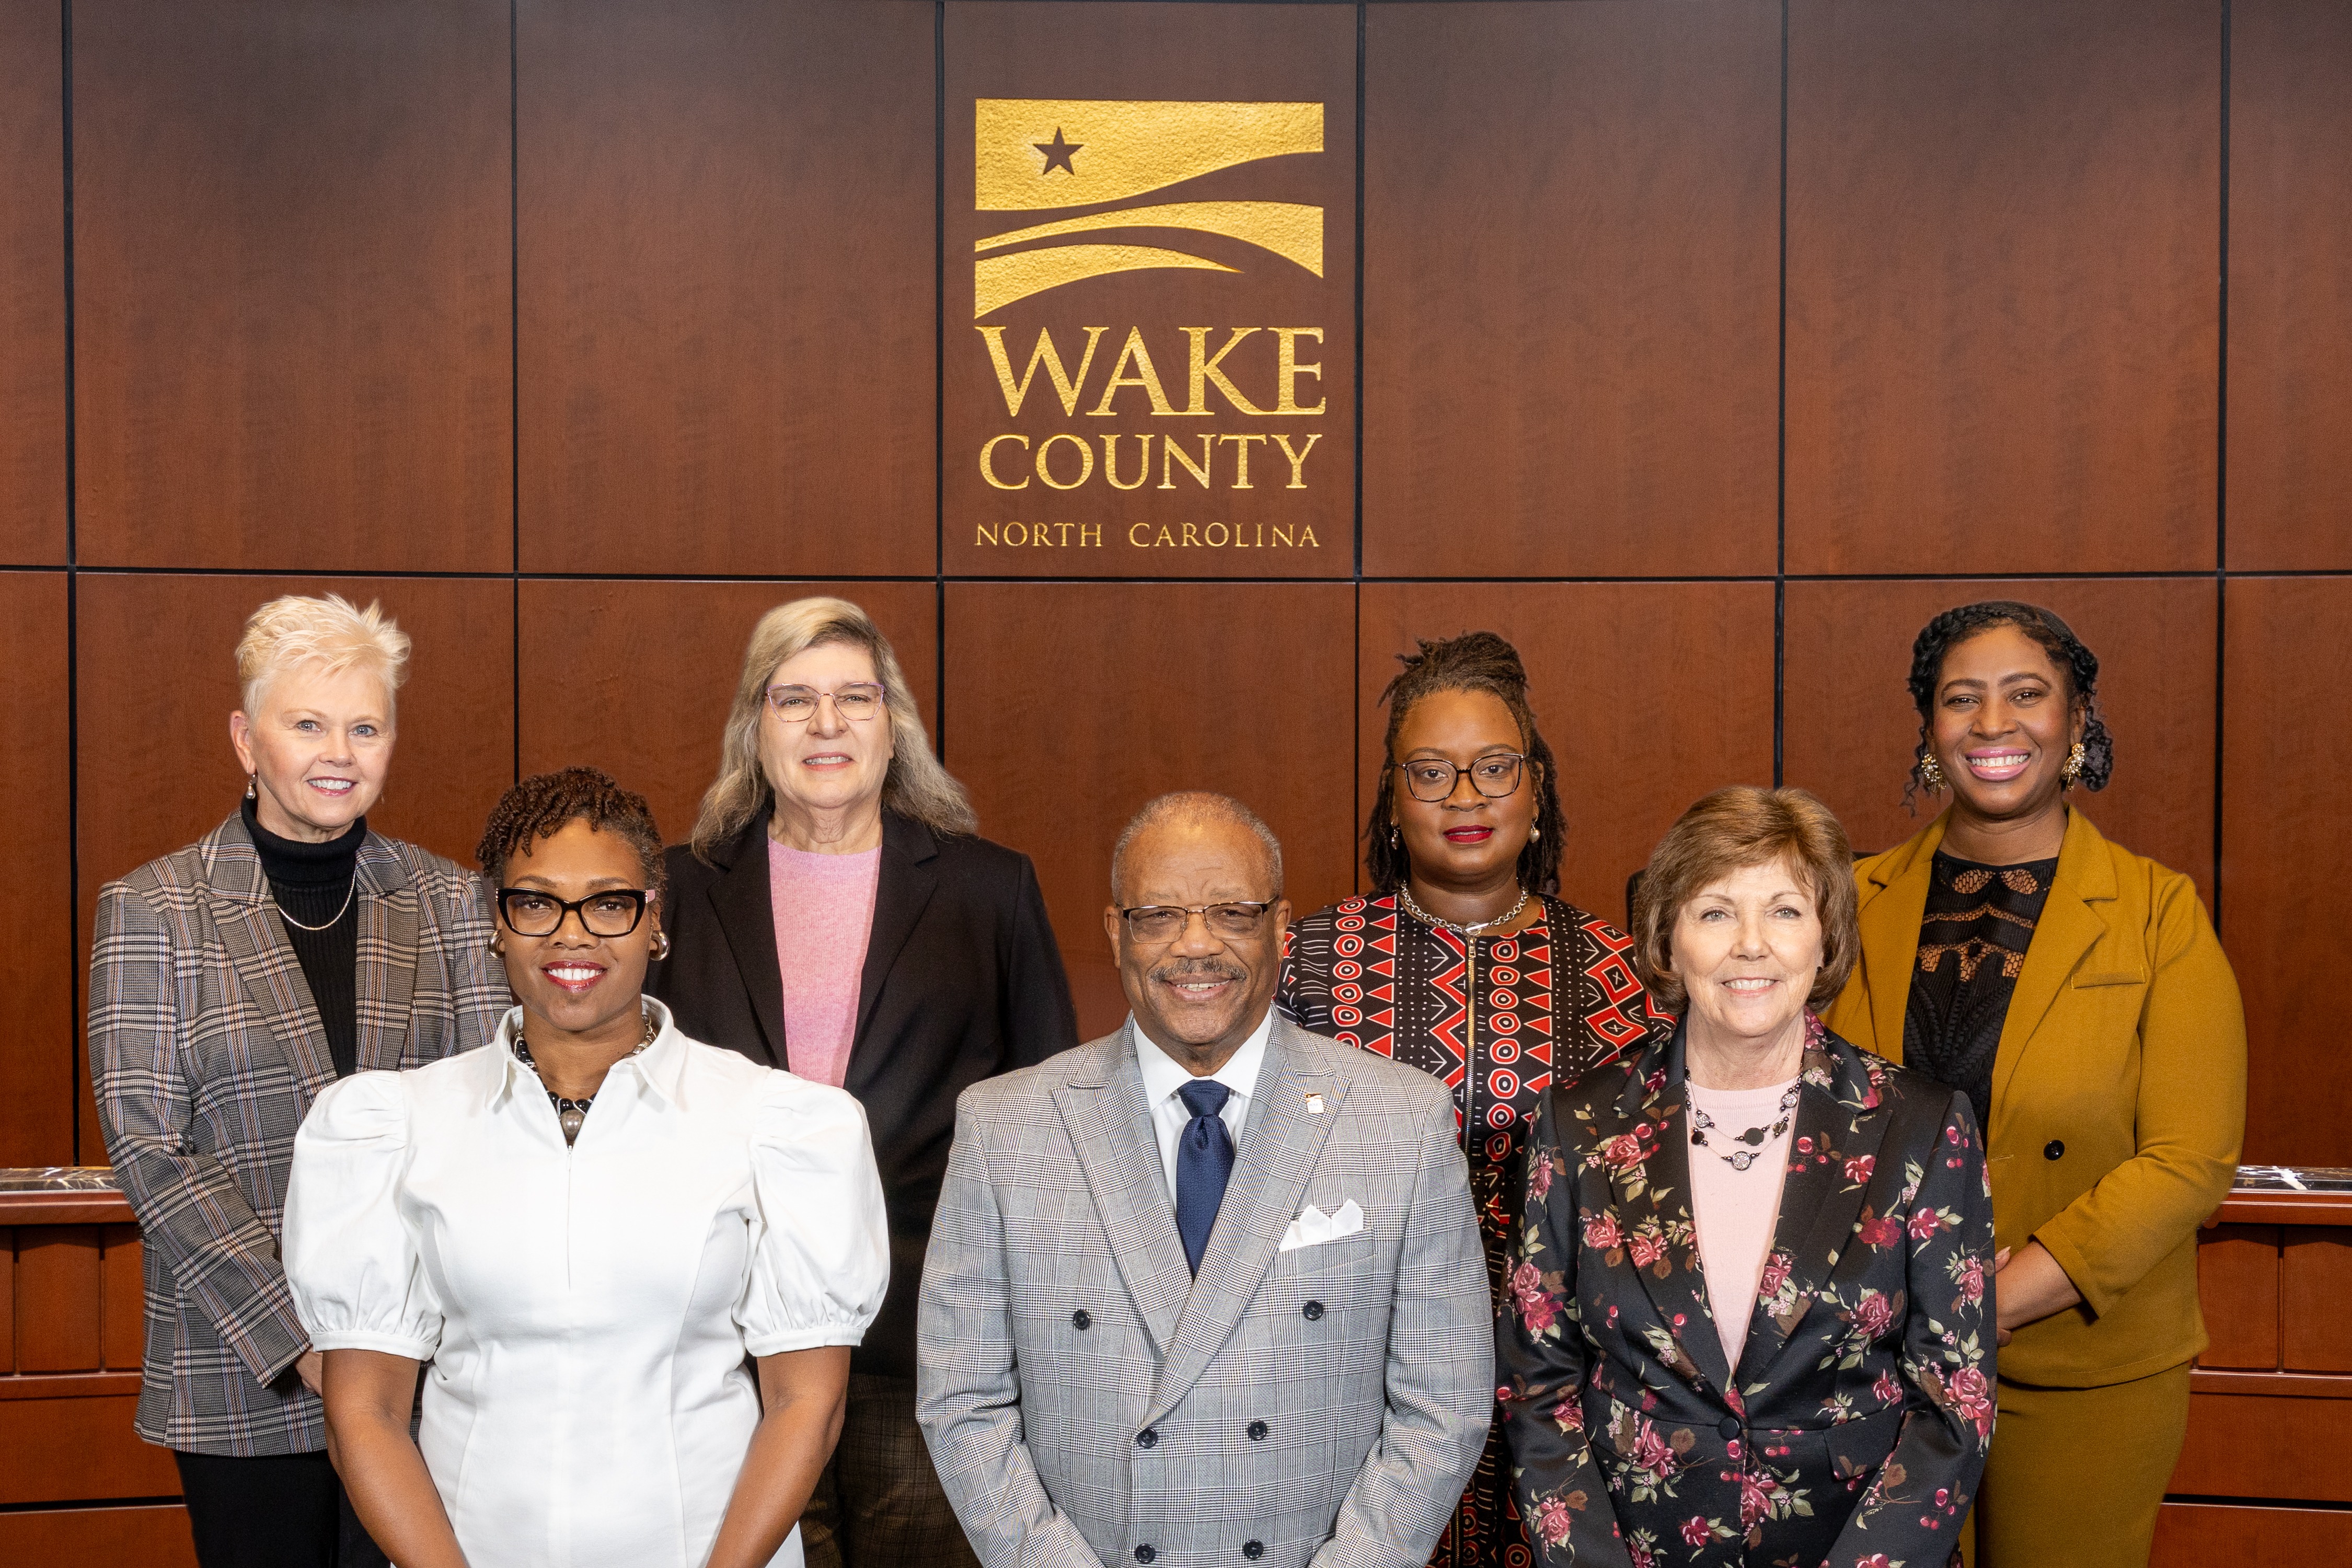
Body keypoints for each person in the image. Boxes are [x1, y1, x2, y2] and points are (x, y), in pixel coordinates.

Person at [284, 767, 890, 1568]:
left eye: (609, 904)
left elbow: (807, 1404)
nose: (572, 936)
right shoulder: (391, 1126)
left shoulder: (777, 1124)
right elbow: (365, 1413)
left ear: (654, 922)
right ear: (497, 922)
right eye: (535, 902)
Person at [918, 791, 1494, 1568]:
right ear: (1114, 932)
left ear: (1282, 928)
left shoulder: (1401, 1121)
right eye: (1159, 915)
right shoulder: (1005, 1128)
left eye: (1232, 913)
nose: (1197, 946)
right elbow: (963, 1403)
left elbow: (1443, 1404)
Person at [650, 595, 1078, 1568]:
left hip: (926, 1341)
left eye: (855, 697)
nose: (827, 723)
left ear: (896, 725)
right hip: (726, 1341)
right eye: (794, 699)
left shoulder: (987, 889)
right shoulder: (681, 888)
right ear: (753, 727)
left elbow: (1053, 1126)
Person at [87, 593, 507, 1568]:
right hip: (245, 1377)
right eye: (307, 723)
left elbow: (491, 1115)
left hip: (428, 1371)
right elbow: (152, 1150)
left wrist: (397, 1339)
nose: (339, 752)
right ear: (247, 738)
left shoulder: (451, 903)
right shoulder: (155, 908)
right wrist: (307, 1344)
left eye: (365, 727)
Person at [1824, 601, 2246, 1568]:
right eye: (1960, 699)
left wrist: (1989, 1299)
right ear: (1929, 732)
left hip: (2080, 1369)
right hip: (1868, 1359)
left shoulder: (2157, 913)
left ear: (2078, 720)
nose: (1993, 724)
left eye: (2028, 695)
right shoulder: (1848, 899)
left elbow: (2189, 1162)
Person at [1499, 787, 1997, 1568]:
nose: (1752, 945)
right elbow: (1539, 1385)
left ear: (1827, 939)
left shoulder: (1924, 1127)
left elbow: (1954, 1402)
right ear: (1667, 940)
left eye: (1787, 912)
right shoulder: (1578, 1124)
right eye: (1716, 912)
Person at [1278, 630, 1657, 1568]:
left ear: (1538, 789)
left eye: (1494, 768)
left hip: (1569, 1386)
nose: (1465, 798)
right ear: (1393, 801)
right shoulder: (1308, 963)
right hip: (1353, 1380)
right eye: (1431, 773)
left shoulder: (1616, 969)